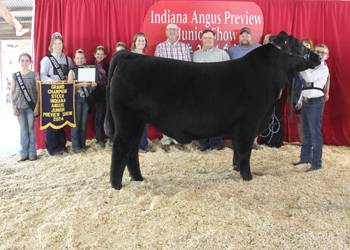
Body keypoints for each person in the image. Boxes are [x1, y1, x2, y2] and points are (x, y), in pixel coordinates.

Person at [154, 22, 191, 151]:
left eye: (174, 29)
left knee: (179, 114)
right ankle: (166, 140)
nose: (172, 31)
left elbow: (188, 68)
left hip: (180, 86)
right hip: (165, 86)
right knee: (164, 113)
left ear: (178, 31)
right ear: (166, 32)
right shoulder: (160, 47)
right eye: (170, 29)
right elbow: (157, 68)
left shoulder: (184, 47)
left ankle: (178, 139)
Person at [293, 44, 330, 172]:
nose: (320, 54)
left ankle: (316, 163)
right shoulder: (311, 67)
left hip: (316, 103)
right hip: (306, 101)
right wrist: (299, 101)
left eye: (323, 52)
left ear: (327, 56)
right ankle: (305, 158)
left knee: (315, 134)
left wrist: (300, 66)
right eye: (318, 52)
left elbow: (310, 78)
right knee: (306, 132)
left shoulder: (323, 68)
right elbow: (305, 87)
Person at [193, 29, 230, 151]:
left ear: (214, 39)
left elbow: (229, 74)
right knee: (201, 118)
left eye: (210, 37)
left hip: (217, 92)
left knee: (217, 118)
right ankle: (203, 142)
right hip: (199, 92)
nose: (207, 40)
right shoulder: (195, 54)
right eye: (205, 38)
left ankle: (215, 143)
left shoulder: (222, 54)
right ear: (201, 40)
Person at [227, 27, 261, 149]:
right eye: (242, 35)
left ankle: (253, 141)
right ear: (239, 37)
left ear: (252, 37)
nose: (245, 37)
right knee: (235, 115)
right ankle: (235, 140)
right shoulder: (231, 51)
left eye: (247, 35)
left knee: (254, 115)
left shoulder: (259, 49)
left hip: (254, 88)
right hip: (236, 89)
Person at [40, 32, 74, 156]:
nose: (58, 46)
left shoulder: (68, 59)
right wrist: (51, 81)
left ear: (63, 45)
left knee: (62, 118)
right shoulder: (47, 59)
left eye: (60, 43)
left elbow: (71, 74)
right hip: (51, 93)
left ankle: (61, 145)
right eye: (56, 44)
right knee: (51, 119)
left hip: (64, 92)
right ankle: (53, 148)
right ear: (52, 46)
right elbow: (42, 75)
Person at [10, 53, 40, 161]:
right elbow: (12, 91)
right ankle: (23, 154)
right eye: (22, 60)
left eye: (27, 60)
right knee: (23, 130)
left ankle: (32, 153)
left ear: (30, 62)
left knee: (31, 129)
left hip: (30, 107)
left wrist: (37, 105)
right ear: (19, 62)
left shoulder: (35, 75)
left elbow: (39, 92)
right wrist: (13, 107)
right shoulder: (15, 75)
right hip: (19, 106)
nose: (24, 63)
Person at [68, 49, 97, 153]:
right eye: (78, 58)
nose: (80, 60)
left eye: (81, 58)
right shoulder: (72, 71)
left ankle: (82, 144)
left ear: (85, 59)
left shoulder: (88, 70)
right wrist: (81, 84)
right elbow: (69, 87)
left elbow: (91, 88)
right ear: (74, 59)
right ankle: (76, 146)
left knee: (83, 123)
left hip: (86, 98)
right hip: (76, 98)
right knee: (75, 123)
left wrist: (93, 86)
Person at [286, 38, 314, 145]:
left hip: (310, 92)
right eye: (303, 45)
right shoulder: (295, 59)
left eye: (307, 45)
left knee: (310, 118)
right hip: (297, 92)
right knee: (300, 118)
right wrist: (288, 93)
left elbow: (326, 75)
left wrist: (326, 91)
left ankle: (310, 142)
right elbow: (290, 77)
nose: (305, 47)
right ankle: (303, 142)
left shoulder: (313, 59)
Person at [130, 32, 154, 153]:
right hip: (133, 93)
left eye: (143, 41)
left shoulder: (146, 57)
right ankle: (136, 145)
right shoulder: (130, 56)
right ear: (134, 42)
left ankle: (143, 144)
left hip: (144, 93)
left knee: (144, 120)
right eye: (139, 40)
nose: (141, 43)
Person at [259, 33, 284, 148]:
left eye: (270, 40)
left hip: (275, 89)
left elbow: (282, 75)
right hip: (263, 90)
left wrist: (280, 89)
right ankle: (265, 139)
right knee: (265, 115)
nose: (268, 42)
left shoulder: (279, 57)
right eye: (266, 40)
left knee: (276, 114)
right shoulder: (261, 56)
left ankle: (276, 141)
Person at [90, 46, 110, 148]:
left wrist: (105, 75)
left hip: (106, 94)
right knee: (98, 116)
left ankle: (110, 137)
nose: (100, 56)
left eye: (102, 54)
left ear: (105, 55)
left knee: (109, 116)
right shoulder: (91, 66)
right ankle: (99, 138)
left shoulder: (108, 66)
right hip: (96, 95)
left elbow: (111, 81)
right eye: (98, 54)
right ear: (94, 55)